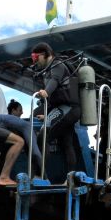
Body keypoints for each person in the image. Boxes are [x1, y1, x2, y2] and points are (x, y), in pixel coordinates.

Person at [31, 42, 81, 174]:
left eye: (36, 58)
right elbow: (56, 98)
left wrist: (46, 92)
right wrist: (47, 114)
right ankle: (69, 177)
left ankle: (39, 175)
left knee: (43, 136)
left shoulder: (57, 65)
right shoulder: (48, 70)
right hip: (64, 109)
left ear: (44, 54)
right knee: (66, 142)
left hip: (69, 108)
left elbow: (55, 80)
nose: (35, 61)